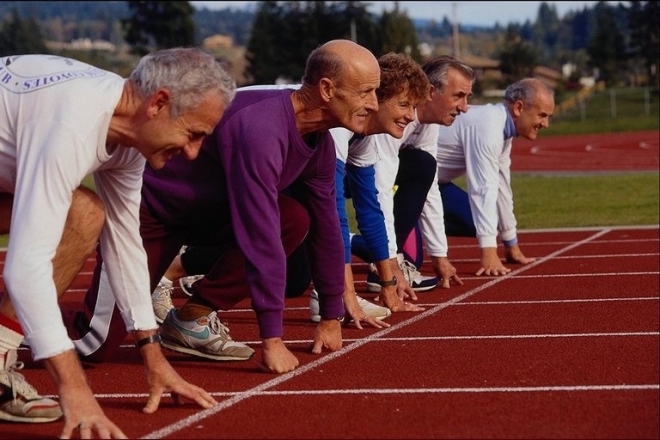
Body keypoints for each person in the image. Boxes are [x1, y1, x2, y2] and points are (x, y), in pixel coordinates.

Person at [64, 39, 381, 375]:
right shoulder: (262, 129)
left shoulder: (320, 146)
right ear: (328, 89)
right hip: (153, 213)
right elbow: (260, 236)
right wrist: (272, 340)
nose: (373, 104)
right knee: (93, 344)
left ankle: (192, 317)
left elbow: (326, 228)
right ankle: (17, 317)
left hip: (207, 215)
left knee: (294, 218)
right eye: (365, 92)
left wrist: (331, 315)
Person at [0, 48, 236, 438]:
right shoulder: (73, 123)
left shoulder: (129, 137)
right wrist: (74, 387)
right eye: (193, 134)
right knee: (63, 223)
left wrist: (152, 353)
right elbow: (25, 267)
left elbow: (126, 244)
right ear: (159, 102)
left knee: (85, 213)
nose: (193, 153)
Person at [151, 52, 431, 328]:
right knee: (276, 229)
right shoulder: (325, 124)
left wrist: (380, 286)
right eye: (404, 104)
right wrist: (280, 333)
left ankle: (192, 314)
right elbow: (328, 216)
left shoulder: (354, 131)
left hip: (225, 190)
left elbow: (361, 210)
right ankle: (173, 269)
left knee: (295, 266)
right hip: (174, 197)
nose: (411, 116)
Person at [349, 55, 474, 307]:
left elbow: (429, 189)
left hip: (358, 173)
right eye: (458, 95)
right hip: (340, 175)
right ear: (431, 91)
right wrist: (390, 265)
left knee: (423, 166)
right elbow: (380, 190)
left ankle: (369, 255)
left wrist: (439, 254)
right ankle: (355, 251)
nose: (465, 107)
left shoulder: (426, 125)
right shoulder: (388, 118)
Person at [431, 77, 555, 275]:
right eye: (542, 115)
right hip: (404, 183)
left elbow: (501, 187)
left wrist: (511, 244)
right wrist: (489, 254)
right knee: (407, 254)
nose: (546, 124)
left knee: (478, 220)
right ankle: (398, 234)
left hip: (432, 185)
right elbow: (482, 188)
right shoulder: (489, 125)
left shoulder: (503, 130)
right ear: (519, 108)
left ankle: (409, 229)